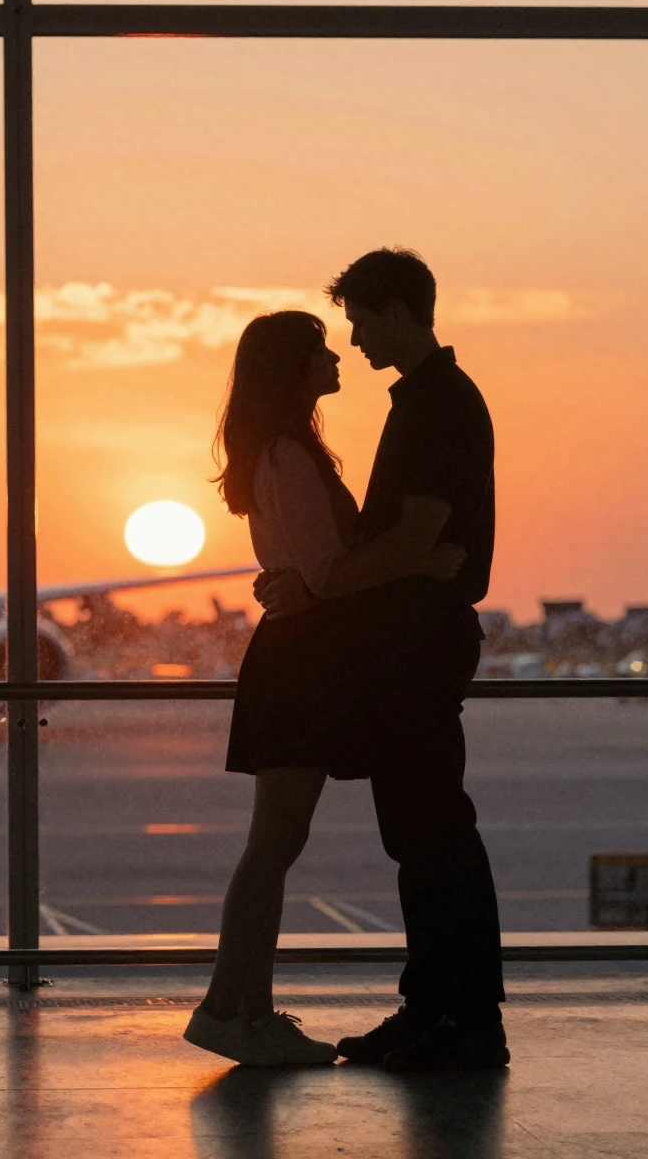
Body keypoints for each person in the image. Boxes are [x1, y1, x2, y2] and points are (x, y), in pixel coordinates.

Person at [183, 310, 464, 1067]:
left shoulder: (275, 453)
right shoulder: (290, 456)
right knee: (273, 844)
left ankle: (245, 1013)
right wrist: (421, 563)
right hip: (303, 665)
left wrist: (308, 590)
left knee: (274, 843)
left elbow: (311, 575)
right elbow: (330, 571)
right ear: (293, 368)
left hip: (301, 656)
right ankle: (228, 1010)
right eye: (319, 350)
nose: (336, 357)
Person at [256, 249, 507, 1073]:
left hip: (419, 646)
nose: (355, 339)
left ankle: (462, 1020)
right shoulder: (427, 401)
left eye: (361, 320)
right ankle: (436, 1008)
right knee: (422, 833)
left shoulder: (437, 406)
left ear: (399, 312)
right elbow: (407, 546)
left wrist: (322, 587)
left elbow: (414, 537)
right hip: (410, 641)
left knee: (433, 833)